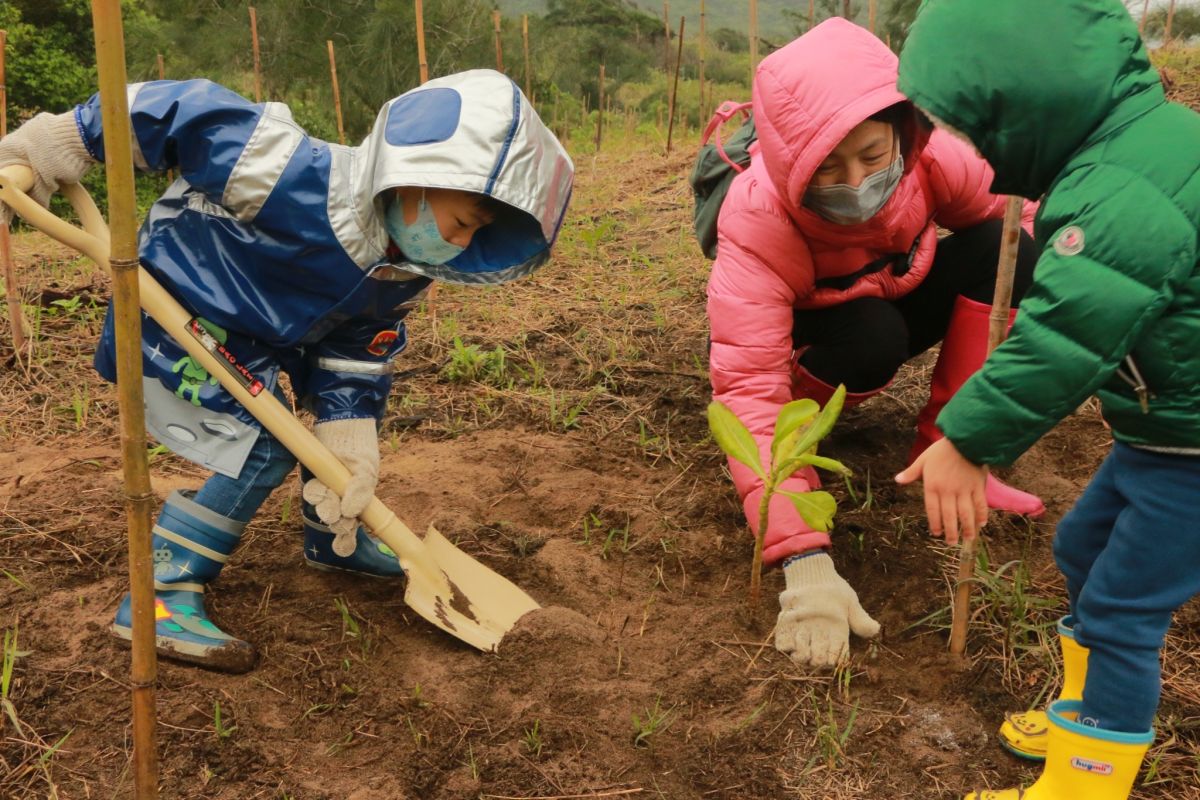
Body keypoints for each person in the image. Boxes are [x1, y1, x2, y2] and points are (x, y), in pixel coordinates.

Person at [0, 70, 574, 673]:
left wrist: (349, 431)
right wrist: (59, 142)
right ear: (416, 179)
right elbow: (174, 109)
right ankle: (163, 588)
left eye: (474, 235)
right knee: (267, 443)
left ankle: (333, 537)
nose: (456, 243)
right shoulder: (287, 172)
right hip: (185, 307)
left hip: (274, 335)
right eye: (459, 222)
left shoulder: (406, 263)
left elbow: (358, 348)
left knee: (326, 437)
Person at [894, 0, 1200, 797]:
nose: (966, 142)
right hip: (1164, 432)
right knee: (1082, 554)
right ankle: (1081, 713)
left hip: (1194, 451)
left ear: (1020, 100)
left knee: (1124, 613)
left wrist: (968, 441)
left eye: (969, 120)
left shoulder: (1126, 186)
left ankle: (1085, 784)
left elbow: (1067, 336)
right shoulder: (1126, 151)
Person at [707, 18, 1045, 669]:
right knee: (871, 336)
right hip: (824, 338)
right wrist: (804, 562)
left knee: (1008, 251)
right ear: (788, 164)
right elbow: (749, 390)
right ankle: (810, 427)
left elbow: (1016, 216)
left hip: (893, 293)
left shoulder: (933, 159)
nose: (858, 181)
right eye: (828, 167)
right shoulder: (758, 219)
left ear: (902, 130)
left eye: (871, 156)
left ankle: (950, 445)